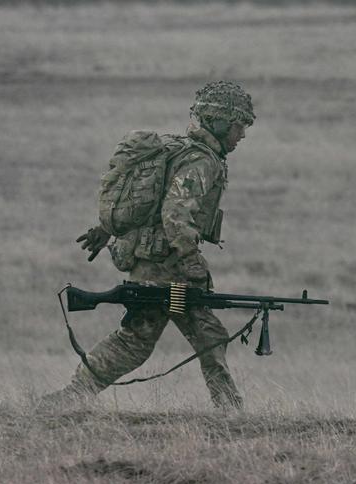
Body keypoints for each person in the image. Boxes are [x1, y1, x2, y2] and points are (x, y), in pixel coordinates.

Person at [41, 81, 255, 410]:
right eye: (239, 126)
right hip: (169, 270)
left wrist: (105, 228)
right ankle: (231, 412)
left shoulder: (176, 148)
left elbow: (151, 204)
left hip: (154, 265)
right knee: (183, 337)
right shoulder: (202, 161)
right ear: (220, 121)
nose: (242, 135)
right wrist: (193, 262)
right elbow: (174, 215)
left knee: (167, 338)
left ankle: (72, 396)